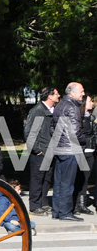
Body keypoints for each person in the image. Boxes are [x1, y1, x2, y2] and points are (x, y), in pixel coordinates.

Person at [50, 82, 86, 221]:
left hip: (60, 148)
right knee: (67, 183)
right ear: (72, 93)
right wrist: (85, 141)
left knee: (59, 182)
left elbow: (52, 128)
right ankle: (65, 212)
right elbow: (76, 131)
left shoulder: (59, 106)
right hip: (70, 149)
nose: (83, 93)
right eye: (81, 91)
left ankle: (57, 211)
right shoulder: (72, 107)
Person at [24, 86, 60, 215]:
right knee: (37, 178)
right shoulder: (37, 111)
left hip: (50, 150)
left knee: (46, 178)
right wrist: (37, 149)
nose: (58, 95)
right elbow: (29, 132)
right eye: (56, 93)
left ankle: (43, 203)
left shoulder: (52, 110)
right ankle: (34, 206)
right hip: (41, 151)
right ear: (49, 96)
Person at [73, 95, 96, 215]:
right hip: (81, 151)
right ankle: (75, 205)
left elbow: (94, 134)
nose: (92, 103)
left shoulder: (92, 118)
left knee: (85, 179)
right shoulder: (78, 118)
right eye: (90, 101)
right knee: (78, 179)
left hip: (90, 152)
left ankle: (82, 204)